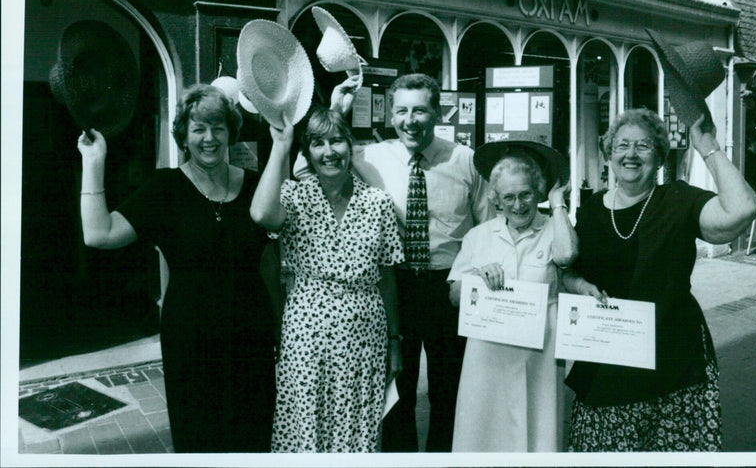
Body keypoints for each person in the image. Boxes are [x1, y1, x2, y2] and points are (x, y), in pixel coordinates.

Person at [295, 73, 493, 452]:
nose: (410, 120)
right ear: (390, 114)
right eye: (401, 110)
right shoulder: (368, 156)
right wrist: (336, 111)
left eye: (420, 110)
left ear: (438, 112)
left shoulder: (465, 160)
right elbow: (307, 169)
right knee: (395, 391)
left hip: (448, 288)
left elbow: (486, 227)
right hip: (393, 287)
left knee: (448, 392)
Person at [77, 84, 280, 452]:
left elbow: (269, 262)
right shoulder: (164, 188)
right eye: (198, 128)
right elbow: (99, 233)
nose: (209, 138)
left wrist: (280, 330)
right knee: (200, 438)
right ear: (184, 135)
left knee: (256, 437)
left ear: (231, 132)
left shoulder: (255, 185)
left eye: (218, 127)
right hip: (191, 341)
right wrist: (93, 162)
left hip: (252, 337)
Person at [563, 108, 756, 452]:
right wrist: (580, 286)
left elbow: (742, 210)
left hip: (673, 360)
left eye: (643, 146)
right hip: (607, 359)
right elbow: (570, 271)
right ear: (609, 154)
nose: (631, 154)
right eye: (622, 145)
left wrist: (707, 146)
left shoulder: (678, 199)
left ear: (658, 157)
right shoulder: (592, 209)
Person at [250, 107, 404, 452]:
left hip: (366, 334)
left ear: (351, 147)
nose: (329, 151)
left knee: (358, 423)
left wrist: (395, 342)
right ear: (307, 152)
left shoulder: (377, 202)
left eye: (337, 140)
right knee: (306, 420)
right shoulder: (293, 196)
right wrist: (280, 146)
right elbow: (261, 214)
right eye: (318, 143)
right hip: (307, 331)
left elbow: (388, 277)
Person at [447, 142, 577, 452]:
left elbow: (568, 255)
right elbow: (453, 295)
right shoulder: (479, 236)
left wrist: (558, 204)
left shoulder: (554, 229)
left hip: (540, 360)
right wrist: (475, 279)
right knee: (483, 434)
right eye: (508, 197)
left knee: (538, 434)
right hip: (488, 359)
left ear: (539, 192)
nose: (518, 205)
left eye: (526, 195)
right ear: (495, 199)